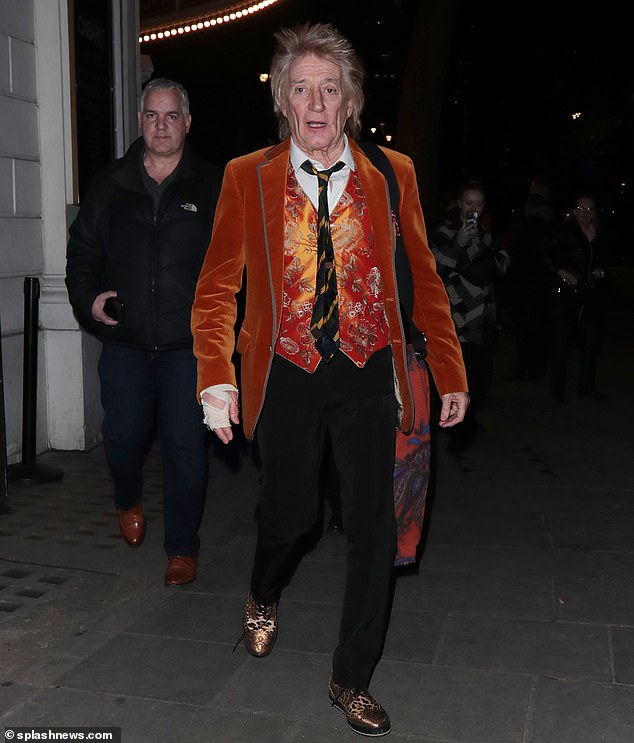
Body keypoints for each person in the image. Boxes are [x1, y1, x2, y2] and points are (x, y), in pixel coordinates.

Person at [191, 23, 468, 738]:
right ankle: (263, 586)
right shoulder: (244, 175)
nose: (315, 103)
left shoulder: (390, 173)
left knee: (374, 524)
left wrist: (448, 366)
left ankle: (351, 674)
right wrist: (215, 376)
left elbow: (424, 281)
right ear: (283, 102)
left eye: (329, 89)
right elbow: (219, 286)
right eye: (301, 89)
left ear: (349, 103)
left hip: (368, 367)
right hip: (285, 370)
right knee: (291, 516)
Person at [65, 78, 223, 586]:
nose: (161, 125)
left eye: (171, 116)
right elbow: (82, 255)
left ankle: (182, 548)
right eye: (152, 115)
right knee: (122, 438)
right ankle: (126, 496)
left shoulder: (213, 185)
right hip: (126, 343)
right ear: (140, 122)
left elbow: (234, 263)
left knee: (185, 448)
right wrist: (89, 302)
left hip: (188, 346)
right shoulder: (110, 184)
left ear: (188, 122)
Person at [430, 180, 510, 452]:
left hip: (482, 322)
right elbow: (435, 266)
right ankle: (456, 434)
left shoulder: (487, 234)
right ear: (459, 204)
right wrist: (460, 243)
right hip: (455, 322)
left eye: (478, 204)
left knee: (478, 380)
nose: (473, 209)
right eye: (468, 203)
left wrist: (488, 264)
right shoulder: (444, 230)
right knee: (455, 381)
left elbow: (503, 262)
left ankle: (467, 425)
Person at [540, 193, 609, 401]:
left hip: (590, 296)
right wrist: (561, 271)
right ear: (575, 210)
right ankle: (558, 391)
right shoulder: (564, 231)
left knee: (591, 342)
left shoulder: (599, 233)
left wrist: (600, 271)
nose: (585, 212)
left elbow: (604, 259)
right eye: (581, 208)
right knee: (561, 343)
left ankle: (587, 388)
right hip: (565, 295)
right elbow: (543, 253)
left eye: (590, 209)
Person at [503, 191, 555, 382]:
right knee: (541, 328)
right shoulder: (551, 226)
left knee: (525, 330)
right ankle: (539, 367)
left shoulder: (524, 227)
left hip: (524, 286)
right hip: (543, 285)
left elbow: (515, 257)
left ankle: (525, 367)